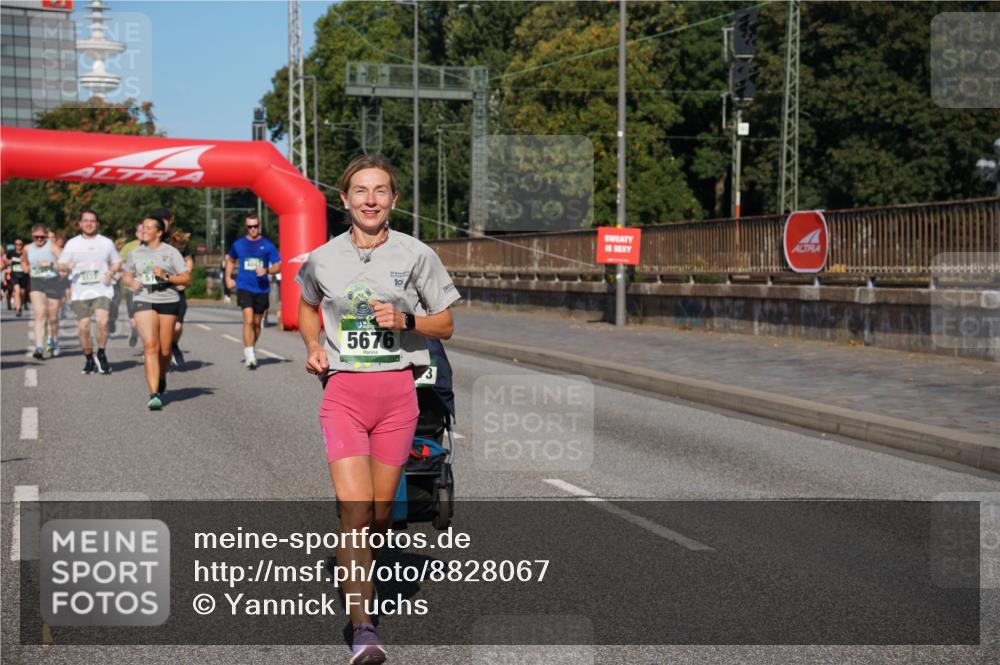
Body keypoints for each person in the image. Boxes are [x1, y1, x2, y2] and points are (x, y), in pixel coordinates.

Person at [296, 154, 460, 665]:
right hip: (343, 393)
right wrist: (313, 346)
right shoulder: (322, 258)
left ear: (392, 200)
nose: (370, 199)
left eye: (380, 190)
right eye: (360, 191)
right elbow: (306, 305)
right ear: (344, 200)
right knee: (355, 511)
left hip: (397, 398)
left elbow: (446, 324)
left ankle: (368, 548)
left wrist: (406, 316)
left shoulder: (417, 255)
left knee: (381, 515)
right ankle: (363, 627)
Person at [123, 215, 190, 410]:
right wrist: (132, 282)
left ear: (159, 232)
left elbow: (186, 278)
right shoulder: (135, 253)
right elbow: (127, 276)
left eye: (148, 228)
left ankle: (161, 376)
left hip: (168, 300)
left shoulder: (171, 253)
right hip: (144, 299)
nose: (143, 230)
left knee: (165, 349)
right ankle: (153, 394)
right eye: (142, 227)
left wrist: (167, 276)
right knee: (151, 346)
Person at [57, 210, 122, 375]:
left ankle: (101, 353)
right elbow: (60, 265)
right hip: (80, 291)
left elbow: (117, 262)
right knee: (83, 328)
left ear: (97, 223)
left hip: (102, 289)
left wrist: (112, 272)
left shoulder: (107, 242)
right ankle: (88, 357)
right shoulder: (72, 243)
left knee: (102, 322)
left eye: (92, 221)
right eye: (85, 221)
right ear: (80, 224)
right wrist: (66, 266)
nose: (89, 223)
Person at [225, 213, 280, 370]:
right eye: (250, 227)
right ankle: (249, 354)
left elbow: (278, 265)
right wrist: (228, 278)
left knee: (257, 323)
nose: (253, 229)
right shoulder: (239, 244)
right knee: (248, 320)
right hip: (244, 286)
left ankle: (251, 346)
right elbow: (230, 260)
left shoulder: (267, 245)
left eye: (255, 226)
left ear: (259, 226)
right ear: (246, 227)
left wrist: (268, 270)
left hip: (262, 288)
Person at [153, 207, 193, 367]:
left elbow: (188, 259)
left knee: (176, 327)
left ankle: (173, 345)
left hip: (175, 288)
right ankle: (158, 356)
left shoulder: (176, 239)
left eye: (166, 220)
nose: (164, 224)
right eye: (160, 220)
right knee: (156, 326)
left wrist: (183, 277)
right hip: (155, 290)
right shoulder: (150, 239)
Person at [24, 224, 62, 360]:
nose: (39, 239)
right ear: (32, 235)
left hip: (53, 282)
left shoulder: (52, 247)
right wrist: (25, 267)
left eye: (42, 237)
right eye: (36, 237)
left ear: (46, 236)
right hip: (36, 282)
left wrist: (50, 264)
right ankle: (39, 346)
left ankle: (54, 341)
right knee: (40, 314)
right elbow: (23, 260)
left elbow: (64, 263)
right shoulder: (27, 248)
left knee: (53, 316)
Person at [118, 222, 145, 347]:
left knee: (147, 319)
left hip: (148, 289)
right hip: (131, 288)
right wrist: (128, 270)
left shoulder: (154, 246)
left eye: (145, 230)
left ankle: (147, 346)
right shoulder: (129, 247)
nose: (143, 233)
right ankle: (134, 331)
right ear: (136, 233)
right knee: (134, 321)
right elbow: (118, 262)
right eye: (140, 231)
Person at [7, 238, 29, 317]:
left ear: (22, 245)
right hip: (14, 274)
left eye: (20, 244)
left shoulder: (25, 253)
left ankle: (20, 304)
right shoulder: (11, 252)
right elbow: (6, 261)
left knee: (22, 293)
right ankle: (18, 309)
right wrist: (10, 261)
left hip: (24, 275)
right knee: (17, 291)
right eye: (16, 244)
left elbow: (29, 262)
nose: (18, 246)